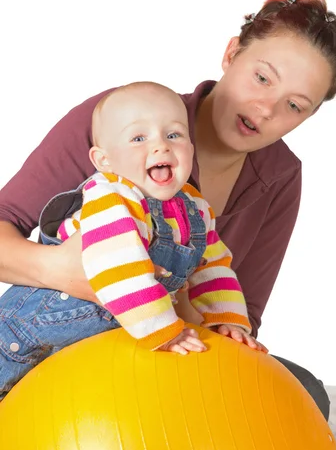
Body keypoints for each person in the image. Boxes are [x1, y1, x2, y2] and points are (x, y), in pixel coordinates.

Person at [0, 0, 336, 419]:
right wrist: (69, 271)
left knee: (301, 394)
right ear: (231, 53)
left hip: (169, 346)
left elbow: (240, 309)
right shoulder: (124, 118)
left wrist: (221, 328)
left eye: (295, 105)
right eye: (262, 78)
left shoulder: (279, 177)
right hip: (56, 341)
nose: (265, 109)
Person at [0, 81, 267, 401]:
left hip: (90, 348)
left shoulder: (195, 209)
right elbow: (121, 271)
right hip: (22, 339)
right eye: (139, 138)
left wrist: (227, 321)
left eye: (174, 135)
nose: (161, 146)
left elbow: (214, 268)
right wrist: (165, 332)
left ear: (190, 148)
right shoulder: (111, 196)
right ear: (104, 161)